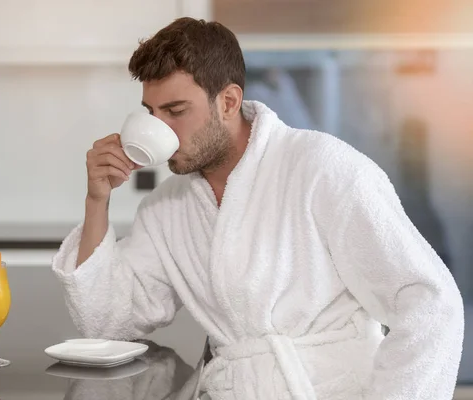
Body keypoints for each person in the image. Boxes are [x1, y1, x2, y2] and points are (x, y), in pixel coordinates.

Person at [51, 17, 464, 400]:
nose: (161, 128)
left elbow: (429, 303)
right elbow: (109, 321)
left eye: (176, 111)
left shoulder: (323, 169)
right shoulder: (168, 208)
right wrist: (97, 200)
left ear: (228, 102)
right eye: (150, 113)